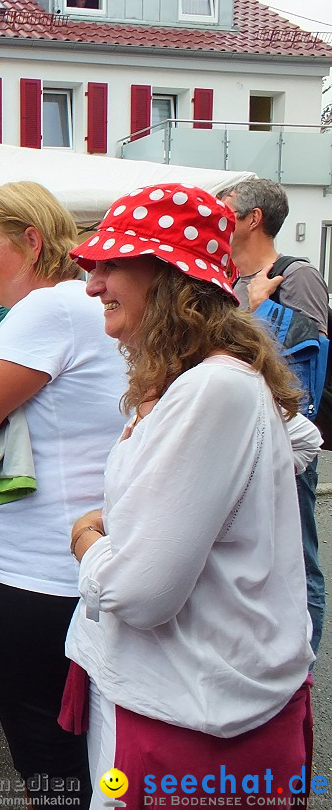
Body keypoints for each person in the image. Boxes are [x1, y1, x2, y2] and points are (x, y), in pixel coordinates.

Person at [67, 182, 314, 805]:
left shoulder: (213, 389)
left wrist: (91, 540)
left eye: (112, 264)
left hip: (192, 708)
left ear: (172, 278)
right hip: (181, 690)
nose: (93, 284)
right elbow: (299, 442)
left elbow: (140, 594)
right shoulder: (201, 382)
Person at [0, 181, 128, 808]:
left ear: (33, 241)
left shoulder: (50, 310)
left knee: (47, 760)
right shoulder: (93, 308)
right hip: (79, 570)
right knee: (97, 755)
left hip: (32, 581)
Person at [218, 178, 327, 655]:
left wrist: (252, 309)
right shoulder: (228, 278)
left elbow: (306, 364)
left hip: (286, 440)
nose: (217, 218)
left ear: (252, 218)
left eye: (225, 211)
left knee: (297, 557)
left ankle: (299, 670)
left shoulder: (296, 275)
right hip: (234, 435)